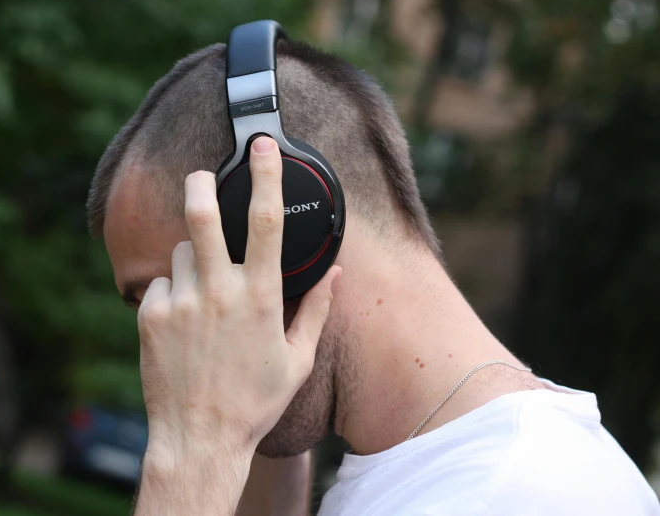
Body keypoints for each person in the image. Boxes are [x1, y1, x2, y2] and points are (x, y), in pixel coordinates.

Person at [86, 32, 660, 515]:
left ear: (288, 232)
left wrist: (189, 459)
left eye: (164, 296)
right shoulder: (448, 477)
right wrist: (238, 429)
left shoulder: (511, 496)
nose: (165, 340)